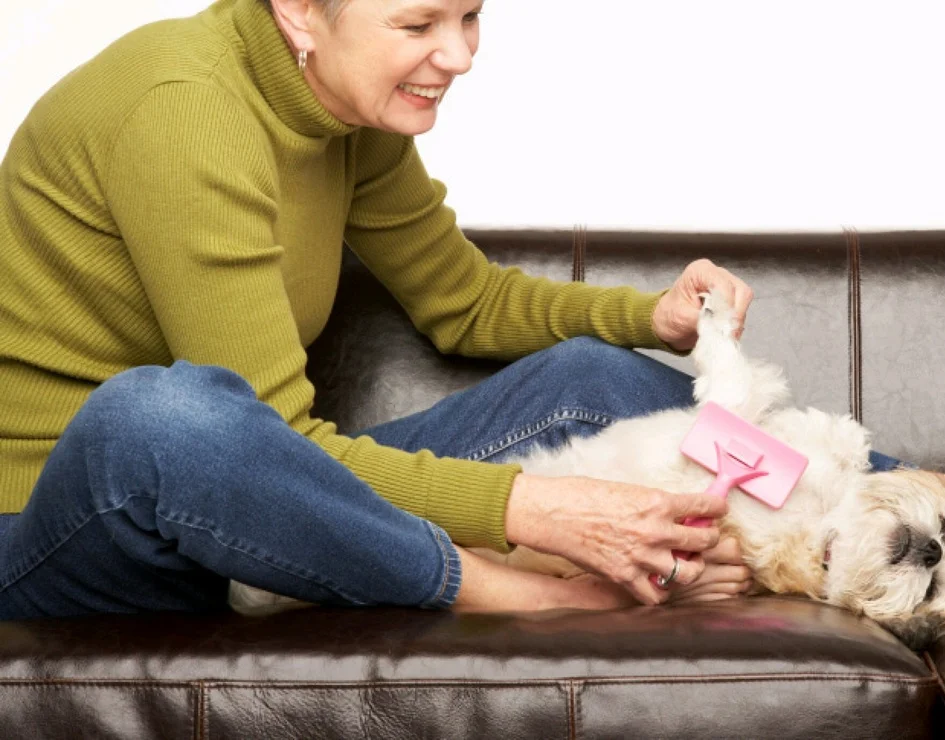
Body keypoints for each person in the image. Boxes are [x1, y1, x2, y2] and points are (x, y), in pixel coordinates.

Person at [0, 0, 761, 621]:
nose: (460, 55)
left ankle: (862, 500)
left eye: (470, 16)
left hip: (252, 512)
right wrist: (537, 512)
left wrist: (650, 317)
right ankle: (532, 597)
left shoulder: (348, 110)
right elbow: (266, 445)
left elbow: (466, 303)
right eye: (418, 24)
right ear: (300, 11)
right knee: (162, 416)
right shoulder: (184, 112)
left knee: (588, 373)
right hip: (60, 526)